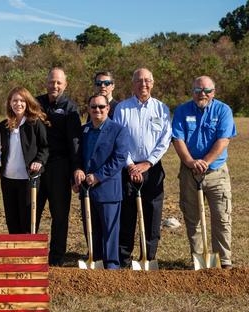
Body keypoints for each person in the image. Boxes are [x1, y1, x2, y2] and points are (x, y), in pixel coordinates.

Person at [172, 76, 236, 268]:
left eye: (207, 90)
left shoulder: (223, 110)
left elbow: (223, 140)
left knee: (222, 218)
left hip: (216, 173)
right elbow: (178, 139)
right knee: (193, 219)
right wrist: (191, 162)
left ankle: (223, 261)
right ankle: (199, 260)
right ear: (192, 91)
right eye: (198, 90)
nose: (203, 94)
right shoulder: (182, 111)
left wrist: (206, 162)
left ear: (213, 92)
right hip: (189, 173)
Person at [112, 68, 171, 268]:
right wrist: (130, 165)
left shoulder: (161, 109)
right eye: (139, 80)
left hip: (152, 168)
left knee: (152, 214)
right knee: (127, 215)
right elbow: (119, 140)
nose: (143, 84)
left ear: (152, 83)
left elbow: (165, 140)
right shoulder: (122, 108)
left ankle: (148, 257)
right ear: (133, 83)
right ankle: (124, 259)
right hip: (127, 167)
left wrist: (148, 163)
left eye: (147, 80)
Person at [74, 95, 128, 269]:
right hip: (87, 190)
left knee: (110, 231)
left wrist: (98, 176)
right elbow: (77, 156)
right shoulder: (84, 130)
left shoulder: (118, 130)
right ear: (88, 109)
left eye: (101, 107)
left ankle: (111, 265)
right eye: (93, 107)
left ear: (108, 108)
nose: (97, 110)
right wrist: (78, 171)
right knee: (91, 228)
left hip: (107, 189)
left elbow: (119, 158)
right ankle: (94, 259)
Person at [35, 67, 83, 265]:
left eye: (59, 83)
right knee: (33, 210)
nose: (54, 86)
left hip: (60, 167)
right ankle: (31, 254)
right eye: (51, 82)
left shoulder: (70, 108)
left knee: (60, 214)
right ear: (46, 82)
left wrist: (75, 171)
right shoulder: (36, 103)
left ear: (65, 85)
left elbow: (75, 143)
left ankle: (56, 257)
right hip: (37, 166)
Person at [0, 87, 49, 234]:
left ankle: (28, 254)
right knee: (12, 221)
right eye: (14, 100)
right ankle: (16, 253)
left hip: (29, 179)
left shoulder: (35, 123)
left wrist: (39, 161)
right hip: (8, 179)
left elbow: (45, 147)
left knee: (28, 220)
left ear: (27, 103)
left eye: (21, 100)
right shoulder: (4, 125)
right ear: (9, 103)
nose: (18, 104)